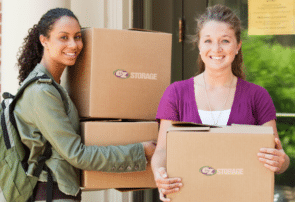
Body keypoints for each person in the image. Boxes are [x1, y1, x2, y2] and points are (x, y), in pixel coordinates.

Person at [151, 4, 290, 202]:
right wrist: (160, 175)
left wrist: (281, 162)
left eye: (225, 40)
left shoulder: (257, 96)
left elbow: (279, 156)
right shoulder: (176, 93)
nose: (216, 49)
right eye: (208, 41)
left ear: (237, 46)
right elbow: (162, 151)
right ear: (199, 46)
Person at [15, 8, 156, 202]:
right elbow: (77, 154)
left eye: (78, 36)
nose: (73, 45)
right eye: (63, 37)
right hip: (50, 194)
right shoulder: (42, 93)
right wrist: (139, 151)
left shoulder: (53, 86)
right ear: (44, 40)